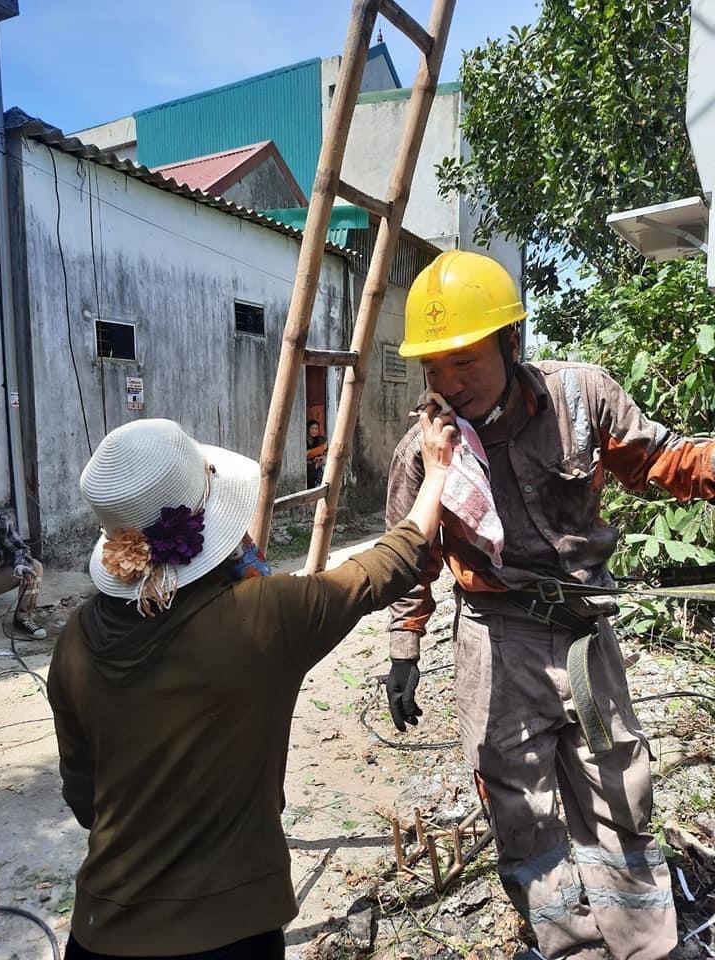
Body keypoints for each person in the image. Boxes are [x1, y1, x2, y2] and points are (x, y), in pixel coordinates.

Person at [47, 414, 455, 960]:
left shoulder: (74, 640)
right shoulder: (264, 617)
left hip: (100, 933)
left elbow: (83, 797)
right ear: (211, 522)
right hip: (230, 936)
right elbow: (387, 566)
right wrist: (438, 471)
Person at [383, 250, 696, 960]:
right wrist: (404, 647)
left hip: (585, 634)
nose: (450, 384)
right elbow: (411, 555)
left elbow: (658, 459)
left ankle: (647, 943)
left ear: (511, 342)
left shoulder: (579, 398)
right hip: (496, 639)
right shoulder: (425, 452)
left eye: (465, 360)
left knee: (619, 787)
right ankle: (569, 945)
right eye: (435, 368)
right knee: (520, 808)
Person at [0, 511, 47, 639]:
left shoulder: (1, 523)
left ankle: (22, 618)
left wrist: (20, 566)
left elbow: (19, 549)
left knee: (34, 566)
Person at [306, 418, 328, 488]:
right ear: (308, 429)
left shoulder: (318, 440)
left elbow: (324, 452)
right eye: (312, 428)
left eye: (316, 429)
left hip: (317, 463)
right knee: (311, 468)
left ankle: (318, 485)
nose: (314, 431)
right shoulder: (304, 439)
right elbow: (306, 454)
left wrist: (319, 458)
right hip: (307, 464)